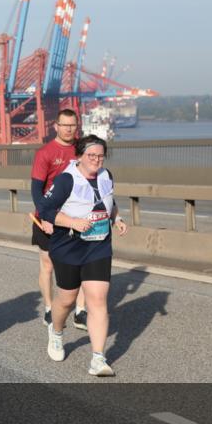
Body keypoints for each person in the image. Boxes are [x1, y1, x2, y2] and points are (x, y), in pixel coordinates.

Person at [38, 135, 128, 376]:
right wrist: (72, 222)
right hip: (68, 244)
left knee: (97, 300)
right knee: (67, 299)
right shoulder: (67, 179)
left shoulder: (106, 176)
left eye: (100, 156)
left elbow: (109, 201)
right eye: (91, 156)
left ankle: (98, 358)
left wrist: (116, 218)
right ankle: (56, 331)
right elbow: (46, 210)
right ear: (80, 156)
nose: (97, 160)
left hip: (98, 245)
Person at [31, 109, 87, 330]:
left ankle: (80, 310)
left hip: (75, 217)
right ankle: (48, 308)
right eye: (64, 125)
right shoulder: (45, 153)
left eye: (72, 125)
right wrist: (45, 216)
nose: (69, 129)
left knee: (81, 264)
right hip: (48, 216)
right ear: (56, 126)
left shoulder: (82, 150)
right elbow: (36, 190)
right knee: (48, 265)